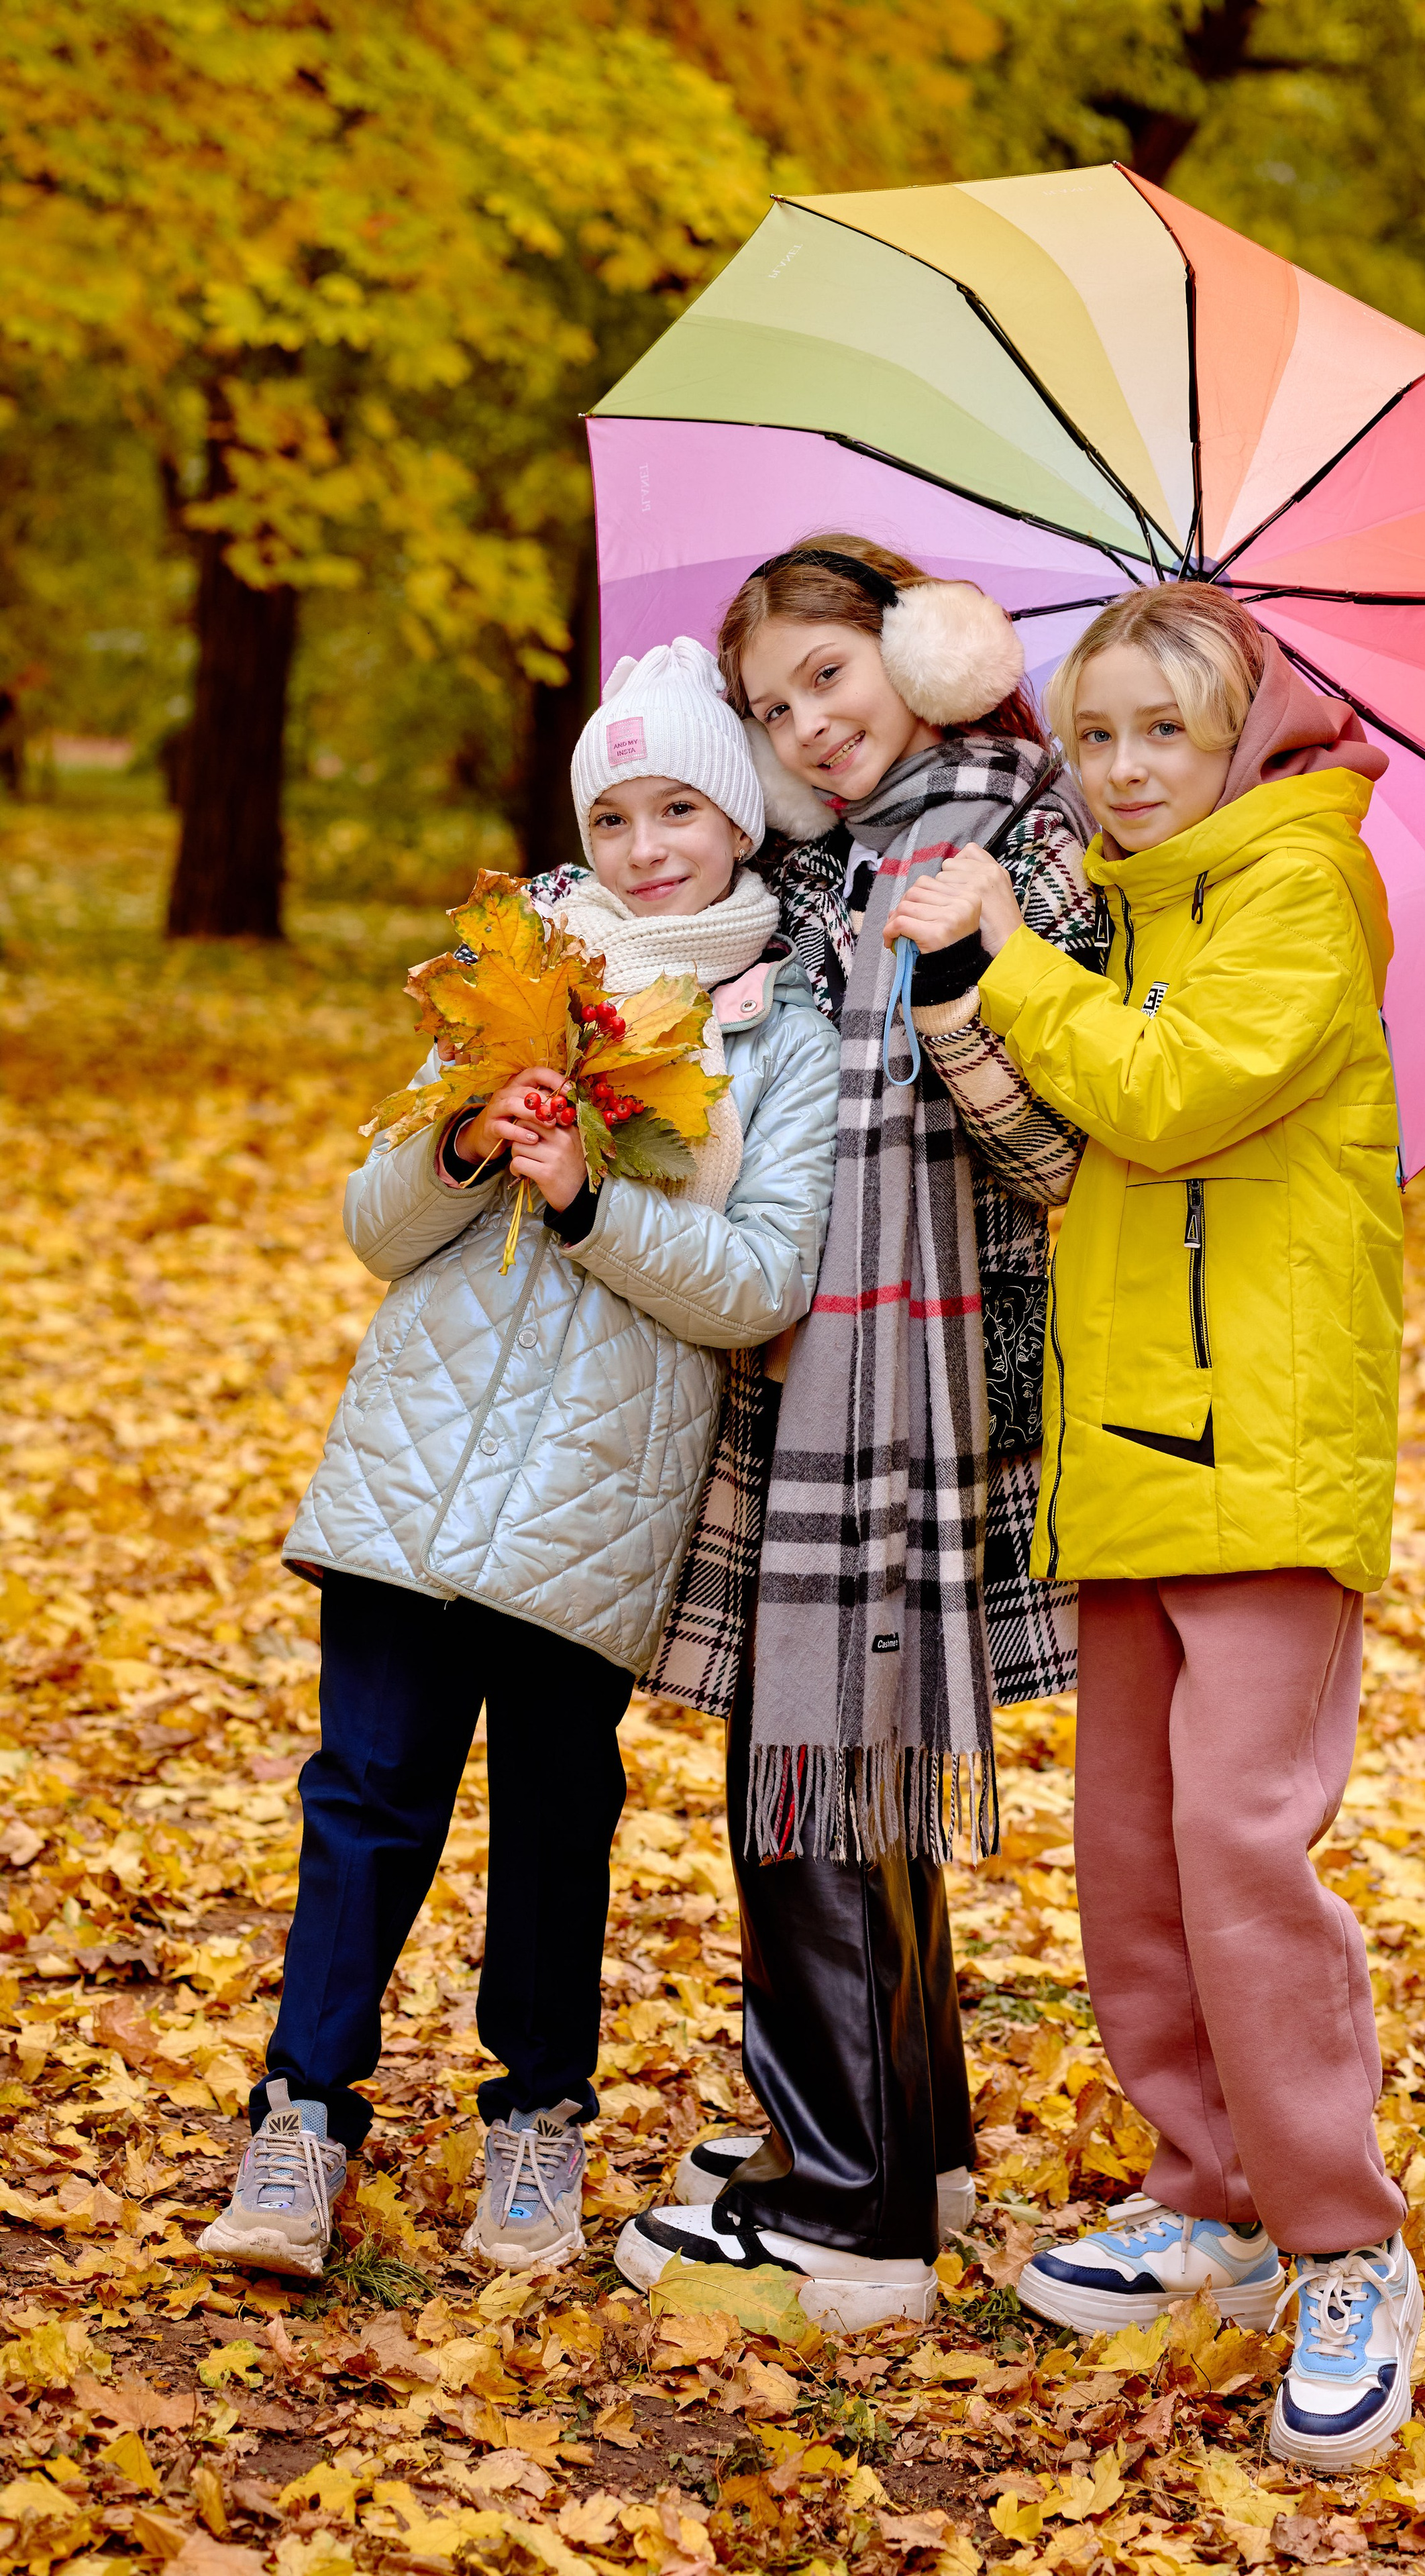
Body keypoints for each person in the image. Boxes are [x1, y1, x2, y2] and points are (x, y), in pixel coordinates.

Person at [197, 640, 839, 2282]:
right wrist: (469, 1140)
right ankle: (302, 2119)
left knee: (556, 1814)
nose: (643, 845)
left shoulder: (781, 1035)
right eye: (613, 812)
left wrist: (588, 1202)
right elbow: (370, 1225)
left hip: (597, 1504)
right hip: (411, 1478)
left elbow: (760, 1283)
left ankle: (535, 2123)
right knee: (363, 1800)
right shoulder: (505, 977)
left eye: (679, 805)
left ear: (739, 815)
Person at [883, 582, 1419, 2469]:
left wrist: (1013, 959)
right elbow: (1068, 1138)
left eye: (1159, 737)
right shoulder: (1130, 910)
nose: (1116, 772)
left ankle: (1344, 2244)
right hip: (1125, 1446)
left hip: (1264, 1449)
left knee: (1240, 1849)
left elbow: (1174, 1095)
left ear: (1240, 740)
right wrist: (984, 980)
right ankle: (1209, 2200)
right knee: (1134, 1854)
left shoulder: (1300, 892)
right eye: (1090, 735)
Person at [613, 538, 1104, 2330]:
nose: (808, 725)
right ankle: (907, 2145)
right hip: (807, 1371)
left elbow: (1060, 1159)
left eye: (829, 674)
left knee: (814, 1766)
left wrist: (968, 977)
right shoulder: (822, 874)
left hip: (918, 1379)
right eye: (772, 706)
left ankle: (849, 2214)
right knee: (827, 1768)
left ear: (920, 648)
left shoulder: (1012, 840)